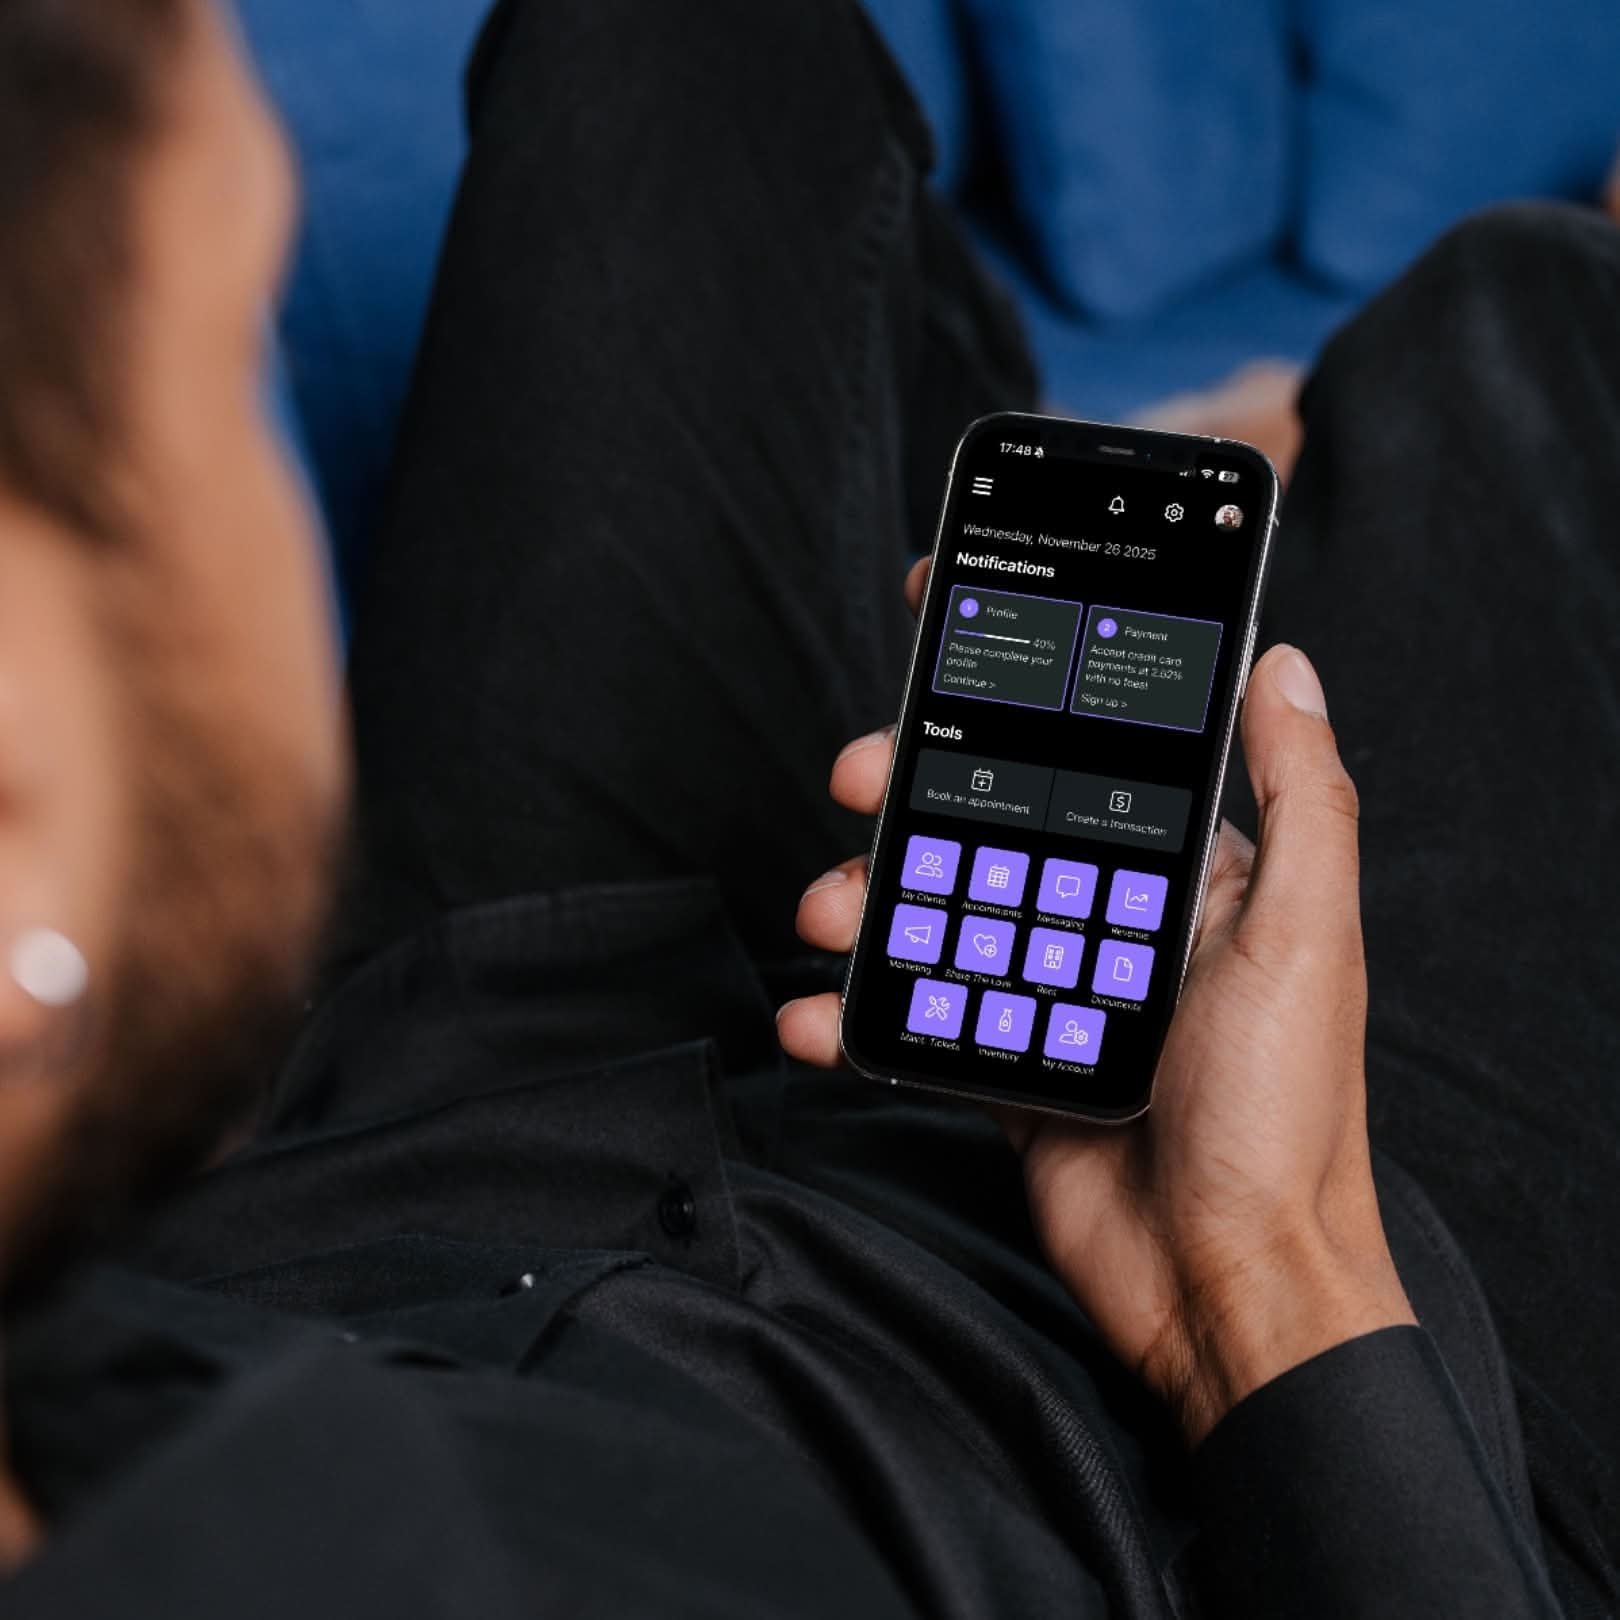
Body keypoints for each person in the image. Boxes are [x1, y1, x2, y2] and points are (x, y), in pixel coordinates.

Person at [0, 0, 1614, 1614]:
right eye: (225, 374)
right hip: (1214, 1368)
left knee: (666, 44)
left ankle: (968, 499)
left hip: (483, 1087)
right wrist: (1266, 1282)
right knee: (1528, 318)